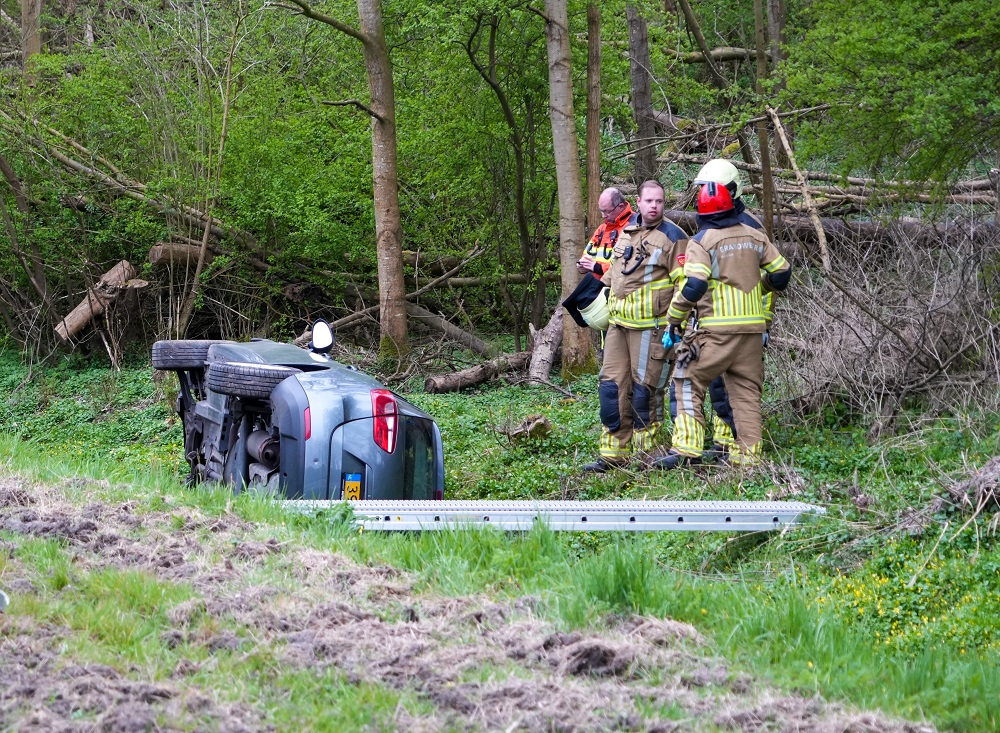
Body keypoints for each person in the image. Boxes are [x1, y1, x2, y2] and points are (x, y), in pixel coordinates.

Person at [653, 165, 791, 469]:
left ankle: (687, 449)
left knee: (687, 378)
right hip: (753, 332)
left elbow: (695, 284)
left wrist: (674, 319)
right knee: (746, 395)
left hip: (717, 330)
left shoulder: (703, 240)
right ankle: (748, 460)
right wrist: (761, 288)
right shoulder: (755, 235)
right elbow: (782, 273)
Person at [582, 180, 688, 473]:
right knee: (611, 390)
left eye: (660, 201)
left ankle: (646, 457)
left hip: (651, 330)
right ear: (637, 203)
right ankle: (614, 455)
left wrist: (675, 324)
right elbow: (613, 276)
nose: (655, 206)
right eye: (649, 201)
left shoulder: (674, 237)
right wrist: (589, 298)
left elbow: (687, 284)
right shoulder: (626, 233)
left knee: (644, 394)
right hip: (617, 327)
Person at [577, 188, 634, 278]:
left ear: (621, 206)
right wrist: (582, 266)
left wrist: (600, 268)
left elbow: (631, 264)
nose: (603, 215)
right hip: (597, 287)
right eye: (601, 211)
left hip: (619, 287)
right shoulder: (602, 228)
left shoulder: (633, 227)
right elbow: (587, 255)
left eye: (607, 211)